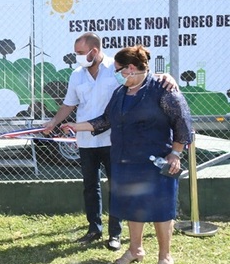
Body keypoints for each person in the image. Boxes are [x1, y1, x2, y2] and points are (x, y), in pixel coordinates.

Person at [62, 45, 192, 264]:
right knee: (132, 206)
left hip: (155, 163)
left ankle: (165, 258)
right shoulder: (121, 93)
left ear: (131, 69)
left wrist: (176, 153)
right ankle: (135, 249)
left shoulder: (163, 89)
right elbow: (104, 120)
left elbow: (182, 123)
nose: (117, 74)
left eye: (119, 70)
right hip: (124, 161)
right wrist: (75, 126)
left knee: (161, 210)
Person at [43, 32, 177, 251]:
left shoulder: (116, 70)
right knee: (90, 187)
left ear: (94, 51)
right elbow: (68, 104)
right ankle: (94, 229)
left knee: (118, 186)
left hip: (116, 140)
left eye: (80, 53)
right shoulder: (76, 75)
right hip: (86, 139)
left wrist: (166, 76)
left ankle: (115, 234)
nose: (77, 57)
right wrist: (54, 122)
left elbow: (140, 77)